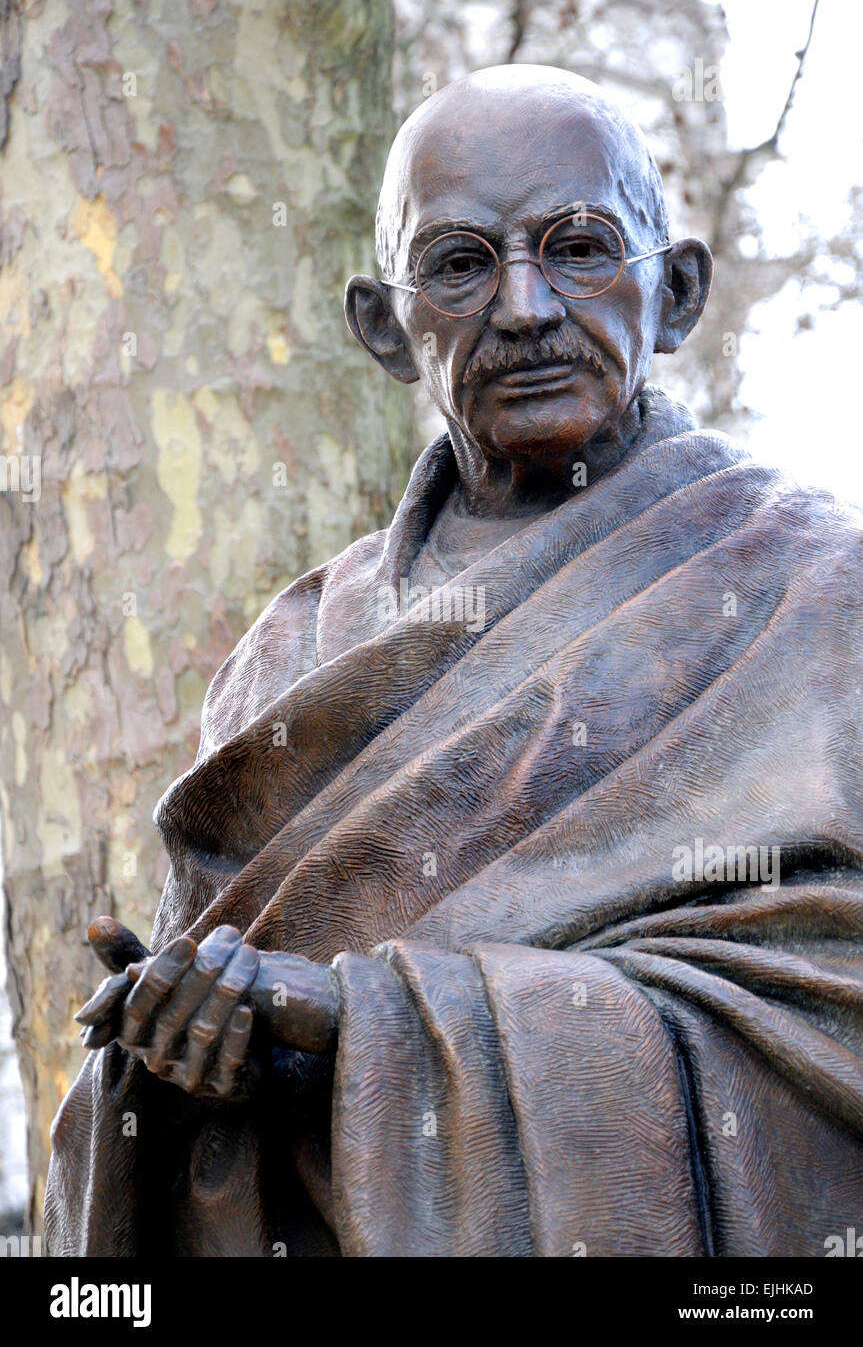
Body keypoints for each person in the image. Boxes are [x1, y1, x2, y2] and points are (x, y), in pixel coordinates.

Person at [46, 64, 863, 1257]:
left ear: (674, 292)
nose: (525, 307)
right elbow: (173, 1070)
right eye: (461, 263)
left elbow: (828, 1018)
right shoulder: (285, 656)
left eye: (578, 247)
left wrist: (360, 1026)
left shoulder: (813, 590)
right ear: (385, 327)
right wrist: (182, 1046)